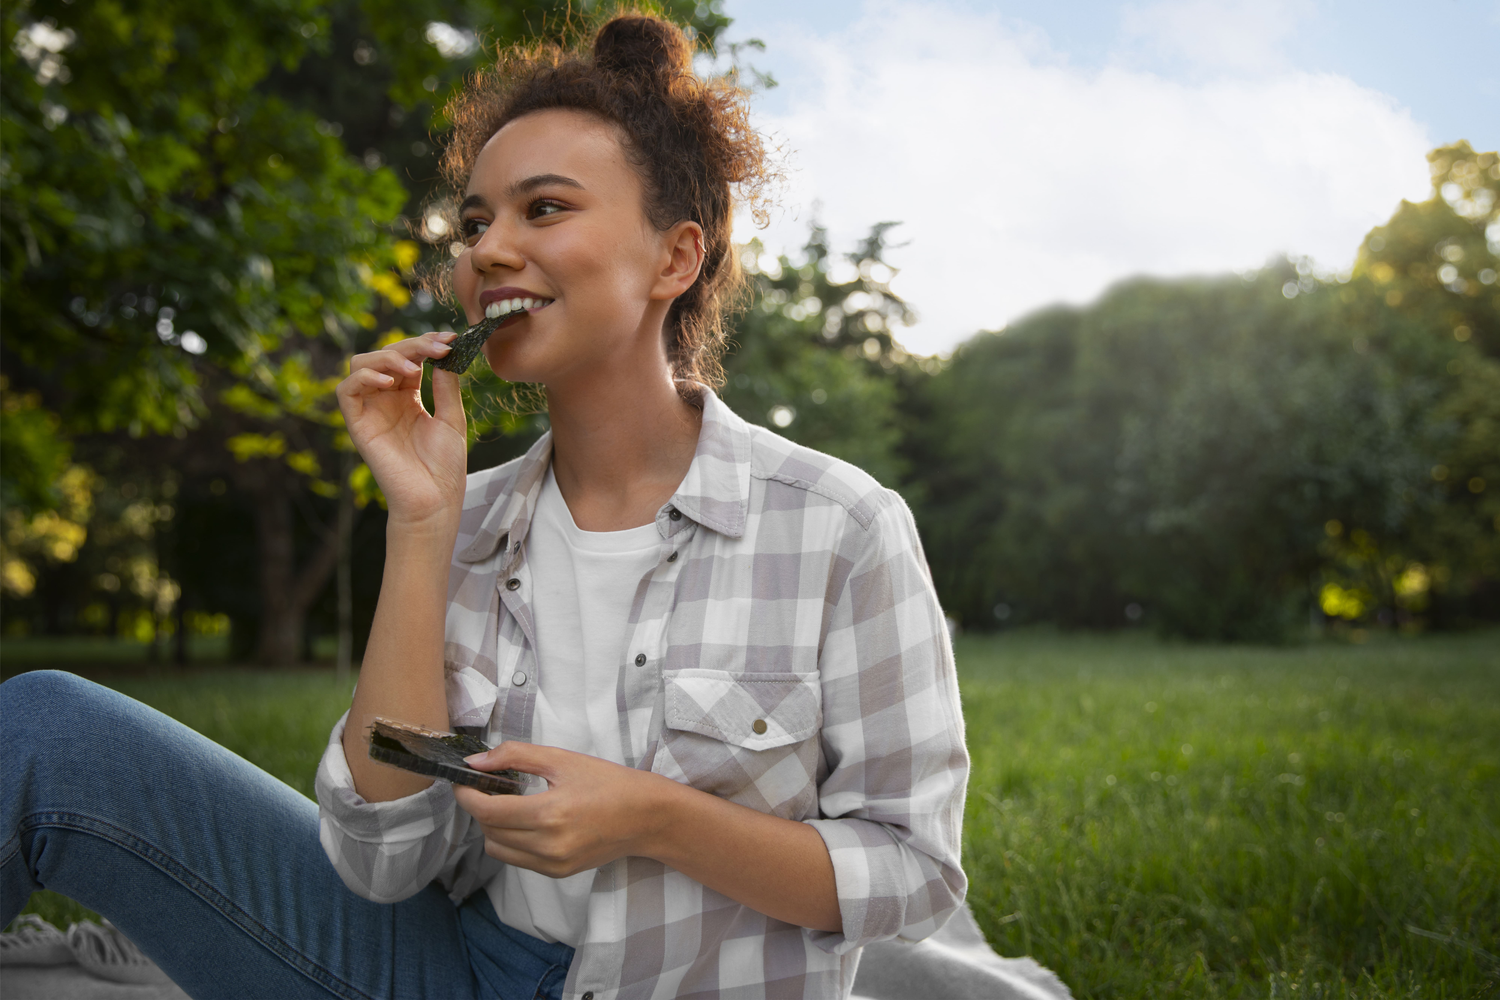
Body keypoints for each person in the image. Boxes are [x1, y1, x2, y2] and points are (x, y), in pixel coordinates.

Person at [0, 13, 967, 1000]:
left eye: (544, 209)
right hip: (459, 968)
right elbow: (382, 859)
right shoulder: (465, 522)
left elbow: (917, 874)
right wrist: (422, 527)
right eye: (472, 224)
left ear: (675, 259)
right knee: (44, 729)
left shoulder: (838, 526)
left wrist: (653, 818)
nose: (487, 249)